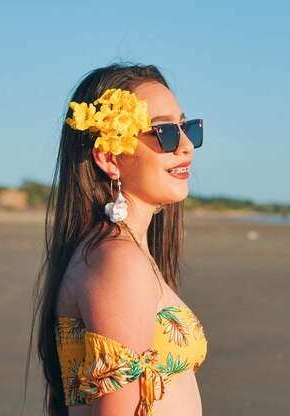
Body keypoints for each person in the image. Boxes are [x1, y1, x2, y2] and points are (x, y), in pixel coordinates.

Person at [27, 63, 208, 416]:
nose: (186, 146)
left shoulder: (118, 252)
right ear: (109, 157)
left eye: (187, 128)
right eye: (164, 132)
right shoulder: (117, 261)